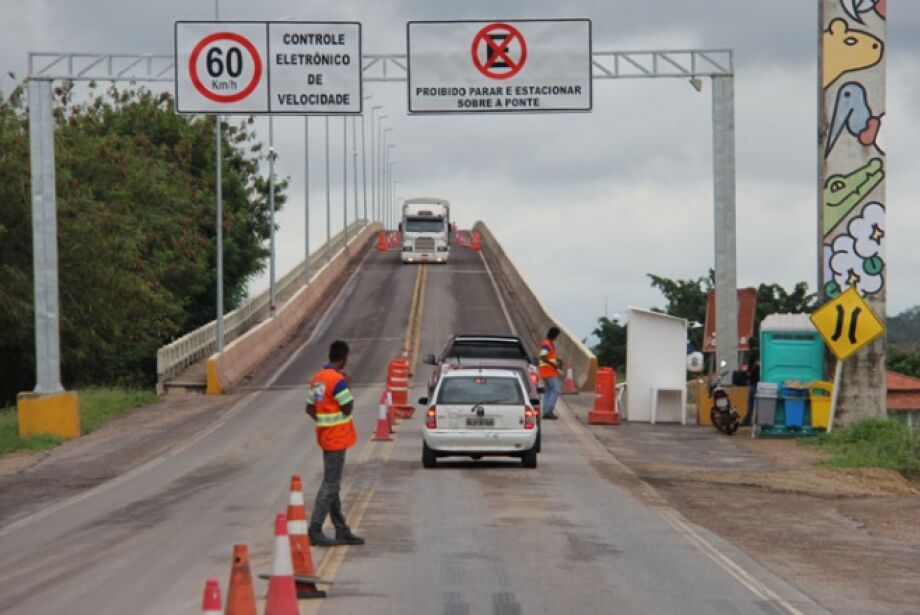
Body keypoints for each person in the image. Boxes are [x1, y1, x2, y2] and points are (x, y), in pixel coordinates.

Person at [305, 340, 364, 547]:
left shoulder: (317, 379)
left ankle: (341, 530)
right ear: (344, 358)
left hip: (325, 436)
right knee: (330, 485)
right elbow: (348, 407)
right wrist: (347, 386)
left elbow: (309, 408)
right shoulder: (337, 380)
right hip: (337, 438)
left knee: (333, 484)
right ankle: (315, 528)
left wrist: (324, 420)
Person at [538, 326, 564, 420]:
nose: (557, 337)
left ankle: (545, 411)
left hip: (547, 371)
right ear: (554, 335)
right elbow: (543, 357)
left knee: (549, 391)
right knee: (556, 390)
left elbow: (548, 356)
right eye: (557, 335)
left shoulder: (549, 343)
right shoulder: (546, 344)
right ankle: (549, 411)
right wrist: (554, 364)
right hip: (548, 371)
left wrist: (557, 360)